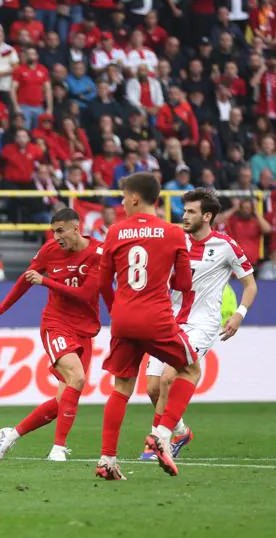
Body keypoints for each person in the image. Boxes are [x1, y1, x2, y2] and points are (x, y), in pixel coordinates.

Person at [140, 190, 258, 460]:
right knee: (153, 388)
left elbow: (250, 284)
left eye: (191, 212)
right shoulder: (175, 239)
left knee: (172, 376)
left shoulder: (225, 245)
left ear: (207, 216)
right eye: (185, 211)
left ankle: (158, 439)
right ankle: (180, 431)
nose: (184, 215)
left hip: (201, 324)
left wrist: (239, 313)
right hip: (168, 321)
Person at [0, 208, 111, 462]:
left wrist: (47, 283)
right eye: (53, 232)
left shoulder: (98, 252)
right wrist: (1, 308)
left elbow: (87, 295)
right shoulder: (49, 251)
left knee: (63, 399)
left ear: (76, 228)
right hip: (56, 324)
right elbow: (25, 279)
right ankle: (58, 449)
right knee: (76, 378)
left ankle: (11, 434)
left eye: (61, 231)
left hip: (85, 328)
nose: (56, 237)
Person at [96, 172, 197, 481]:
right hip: (156, 317)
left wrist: (118, 310)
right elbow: (183, 283)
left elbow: (102, 283)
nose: (123, 202)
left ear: (136, 198)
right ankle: (163, 433)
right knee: (192, 369)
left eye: (124, 196)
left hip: (123, 318)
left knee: (121, 388)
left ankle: (107, 461)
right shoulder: (174, 233)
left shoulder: (114, 232)